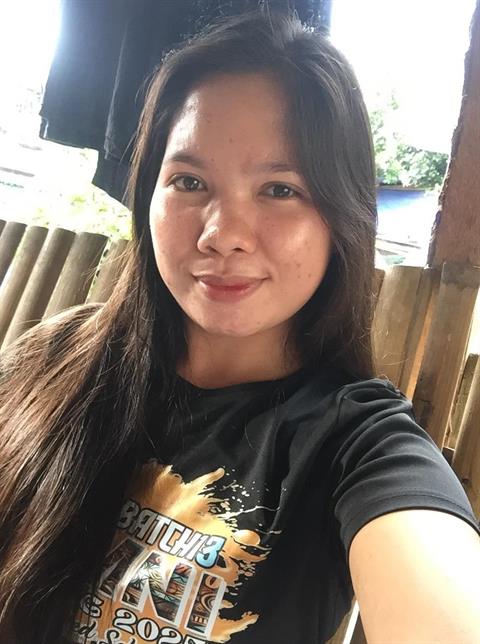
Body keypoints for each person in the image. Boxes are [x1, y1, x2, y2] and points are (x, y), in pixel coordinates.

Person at [0, 7, 479, 644]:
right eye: (189, 180)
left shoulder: (355, 445)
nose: (222, 234)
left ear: (342, 217)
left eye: (280, 189)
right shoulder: (54, 357)